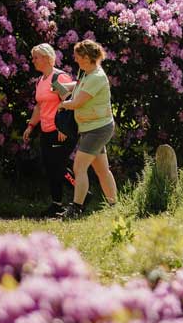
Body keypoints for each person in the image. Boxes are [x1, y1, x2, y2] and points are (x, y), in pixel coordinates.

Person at [56, 40, 118, 218]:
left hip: (98, 129)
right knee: (102, 170)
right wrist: (62, 87)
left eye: (77, 56)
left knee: (79, 167)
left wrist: (62, 105)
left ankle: (76, 209)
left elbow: (77, 102)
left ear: (87, 57)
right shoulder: (87, 73)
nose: (75, 59)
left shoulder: (97, 76)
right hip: (92, 127)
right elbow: (79, 87)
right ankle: (114, 207)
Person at [23, 43, 75, 216]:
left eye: (36, 57)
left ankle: (83, 194)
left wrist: (64, 128)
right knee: (51, 168)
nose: (33, 61)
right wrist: (30, 126)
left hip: (60, 130)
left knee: (59, 167)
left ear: (46, 58)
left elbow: (69, 103)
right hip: (45, 130)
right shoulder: (40, 80)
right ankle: (56, 204)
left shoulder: (59, 77)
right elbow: (39, 106)